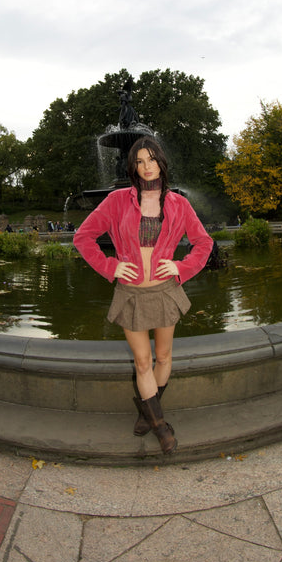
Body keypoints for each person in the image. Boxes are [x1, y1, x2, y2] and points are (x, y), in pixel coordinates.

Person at [74, 136, 213, 455]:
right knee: (142, 360)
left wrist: (181, 267)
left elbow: (203, 243)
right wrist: (110, 266)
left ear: (161, 162)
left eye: (151, 159)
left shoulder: (179, 203)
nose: (146, 167)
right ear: (132, 166)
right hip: (132, 293)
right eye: (140, 161)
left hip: (165, 291)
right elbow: (83, 237)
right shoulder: (117, 200)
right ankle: (161, 427)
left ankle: (148, 412)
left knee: (163, 357)